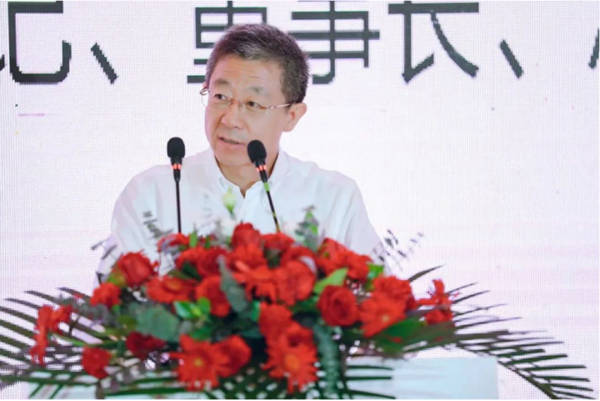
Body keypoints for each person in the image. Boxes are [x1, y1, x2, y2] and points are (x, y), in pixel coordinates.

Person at [97, 24, 379, 275]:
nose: (230, 119)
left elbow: (378, 305)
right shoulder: (151, 194)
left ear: (292, 116)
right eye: (221, 96)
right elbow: (112, 308)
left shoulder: (334, 199)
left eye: (253, 104)